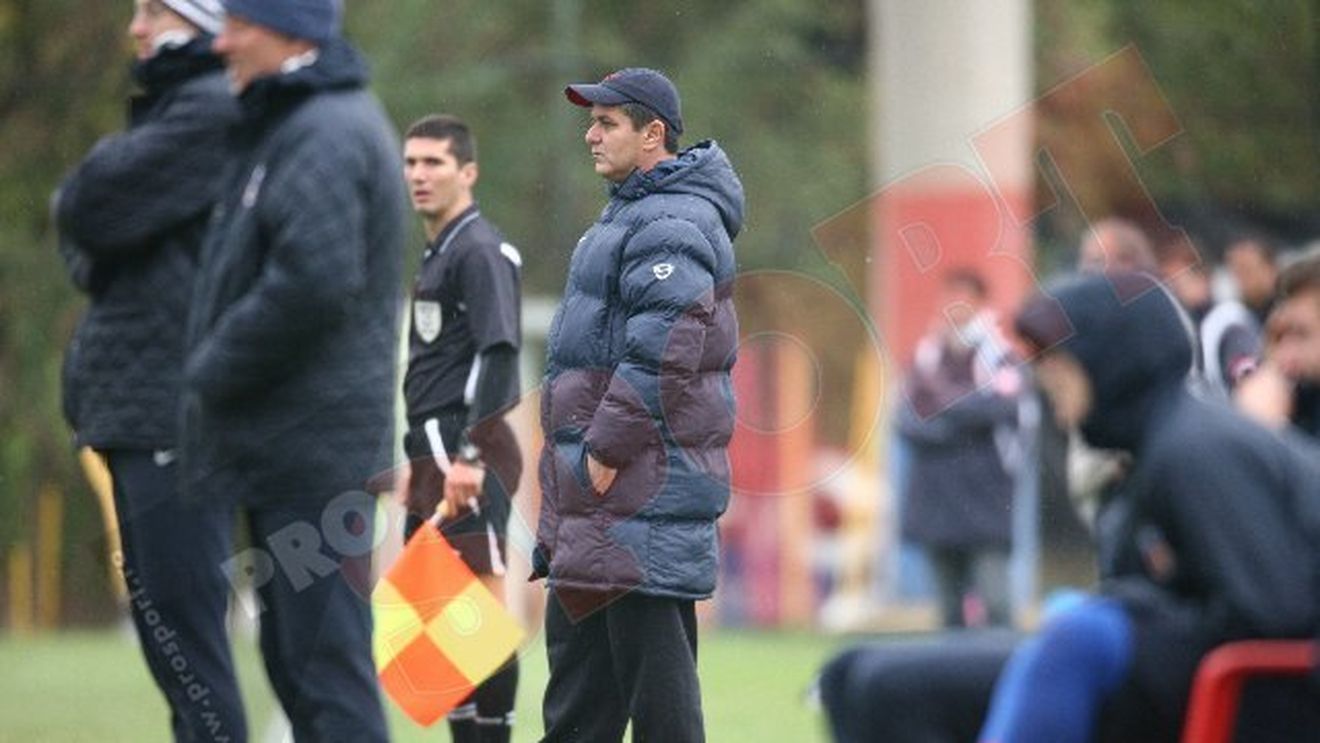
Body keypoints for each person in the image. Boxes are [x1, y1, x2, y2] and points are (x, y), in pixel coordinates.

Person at [821, 272, 1320, 743]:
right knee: (850, 674)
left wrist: (1114, 619)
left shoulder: (1195, 449)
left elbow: (1274, 612)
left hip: (1260, 699)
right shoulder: (1155, 448)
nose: (1043, 374)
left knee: (891, 688)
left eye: (1057, 355)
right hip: (1183, 678)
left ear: (1112, 358)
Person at [181, 1, 404, 739]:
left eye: (239, 24)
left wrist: (212, 364)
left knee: (325, 673)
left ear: (288, 30)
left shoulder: (326, 129)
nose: (223, 42)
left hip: (316, 455)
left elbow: (313, 279)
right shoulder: (296, 122)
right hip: (291, 450)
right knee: (298, 665)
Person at [534, 67, 744, 742]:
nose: (590, 136)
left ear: (653, 134)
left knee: (661, 710)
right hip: (598, 504)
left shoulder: (673, 220)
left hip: (637, 497)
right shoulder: (630, 212)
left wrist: (601, 448)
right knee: (577, 708)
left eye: (607, 123)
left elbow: (664, 348)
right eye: (590, 123)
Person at [53, 1, 245, 739]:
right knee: (176, 654)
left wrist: (102, 224)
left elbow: (84, 204)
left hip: (172, 414)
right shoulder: (171, 111)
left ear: (201, 25)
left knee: (191, 652)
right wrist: (101, 226)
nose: (136, 28)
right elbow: (81, 226)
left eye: (155, 12)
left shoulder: (206, 108)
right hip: (139, 411)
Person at [397, 114, 523, 743]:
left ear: (467, 172)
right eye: (412, 162)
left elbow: (499, 354)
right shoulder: (440, 248)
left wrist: (470, 455)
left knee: (481, 613)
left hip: (464, 451)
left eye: (434, 163)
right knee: (439, 624)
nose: (419, 175)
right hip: (431, 453)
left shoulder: (479, 250)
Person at [897, 268, 1023, 629]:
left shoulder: (1000, 357)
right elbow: (905, 421)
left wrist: (939, 409)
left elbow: (1003, 408)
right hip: (937, 504)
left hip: (987, 503)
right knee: (948, 612)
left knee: (997, 605)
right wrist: (964, 418)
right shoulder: (924, 358)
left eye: (965, 298)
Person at [1158, 238, 1260, 397]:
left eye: (1177, 281)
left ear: (1203, 278)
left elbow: (1245, 368)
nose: (1172, 290)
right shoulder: (1185, 326)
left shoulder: (1227, 319)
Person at [1236, 250, 1320, 437]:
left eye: (1301, 334)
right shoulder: (1304, 391)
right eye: (1282, 336)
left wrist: (1266, 431)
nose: (1287, 351)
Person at [1225, 232, 1280, 326]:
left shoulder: (1293, 306)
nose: (1241, 279)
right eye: (1236, 272)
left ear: (1270, 268)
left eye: (1247, 269)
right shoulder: (1237, 318)